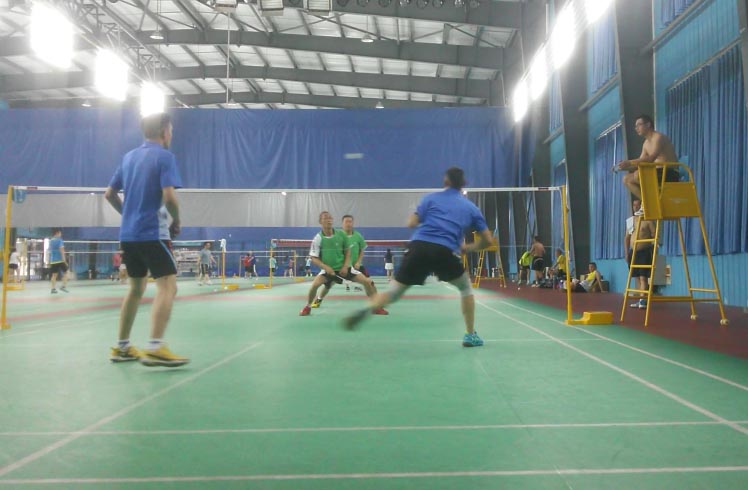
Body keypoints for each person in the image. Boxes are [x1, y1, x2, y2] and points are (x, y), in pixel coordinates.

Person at [343, 167, 492, 347]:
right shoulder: (471, 208)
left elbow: (411, 223)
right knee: (465, 288)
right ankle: (470, 334)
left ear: (445, 181)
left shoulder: (430, 198)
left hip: (418, 246)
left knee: (393, 293)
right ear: (463, 184)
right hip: (444, 250)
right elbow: (487, 240)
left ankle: (367, 307)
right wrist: (468, 248)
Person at [104, 112, 188, 367]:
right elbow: (170, 198)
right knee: (168, 286)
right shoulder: (165, 157)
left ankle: (122, 347)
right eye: (170, 130)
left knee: (136, 288)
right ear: (164, 131)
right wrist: (177, 220)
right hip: (152, 232)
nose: (171, 134)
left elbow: (109, 194)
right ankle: (155, 346)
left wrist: (128, 214)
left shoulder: (128, 157)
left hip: (128, 235)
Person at [300, 212, 388, 316]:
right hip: (328, 270)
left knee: (368, 282)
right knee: (314, 286)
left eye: (330, 218)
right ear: (320, 221)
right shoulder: (318, 238)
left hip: (345, 268)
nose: (329, 220)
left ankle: (376, 307)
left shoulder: (341, 235)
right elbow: (313, 258)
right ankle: (308, 307)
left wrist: (345, 266)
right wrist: (325, 267)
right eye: (325, 218)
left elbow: (348, 251)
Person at [616, 115, 679, 209]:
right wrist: (622, 167)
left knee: (638, 174)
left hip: (669, 173)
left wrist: (629, 162)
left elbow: (651, 159)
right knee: (626, 179)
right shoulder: (645, 143)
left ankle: (652, 202)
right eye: (635, 126)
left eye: (639, 125)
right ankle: (648, 203)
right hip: (657, 173)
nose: (636, 128)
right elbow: (639, 164)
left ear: (648, 124)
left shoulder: (658, 137)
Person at [627, 211, 656, 309]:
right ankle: (640, 298)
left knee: (643, 277)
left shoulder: (648, 221)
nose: (636, 208)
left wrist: (653, 249)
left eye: (638, 205)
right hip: (633, 252)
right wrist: (626, 252)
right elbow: (627, 237)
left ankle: (643, 300)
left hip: (644, 251)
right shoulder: (631, 221)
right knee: (637, 277)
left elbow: (655, 236)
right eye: (634, 205)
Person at [48, 229, 69, 294]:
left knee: (54, 275)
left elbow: (50, 250)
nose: (61, 234)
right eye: (60, 233)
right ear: (57, 233)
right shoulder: (60, 240)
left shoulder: (51, 241)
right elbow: (61, 250)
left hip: (53, 260)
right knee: (66, 272)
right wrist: (64, 260)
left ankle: (53, 289)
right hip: (60, 260)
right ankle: (63, 286)